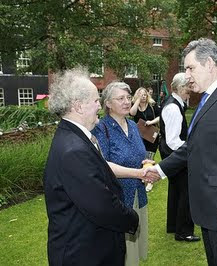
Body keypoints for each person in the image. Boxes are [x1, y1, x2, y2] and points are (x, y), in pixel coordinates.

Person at [144, 38, 217, 266]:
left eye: (190, 68)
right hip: (211, 210)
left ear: (209, 63)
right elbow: (194, 145)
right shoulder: (209, 97)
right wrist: (160, 169)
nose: (187, 75)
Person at [43, 67, 139, 266]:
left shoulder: (73, 137)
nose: (100, 106)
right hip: (84, 253)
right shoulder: (73, 150)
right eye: (96, 100)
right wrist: (131, 218)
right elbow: (100, 204)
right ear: (78, 106)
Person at [92, 81, 153, 266]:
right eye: (121, 98)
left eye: (128, 97)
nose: (127, 102)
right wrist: (139, 173)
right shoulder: (101, 129)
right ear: (108, 104)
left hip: (138, 194)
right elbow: (103, 165)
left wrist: (147, 165)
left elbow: (141, 154)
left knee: (134, 249)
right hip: (118, 199)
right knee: (121, 250)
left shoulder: (133, 126)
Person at [159, 73, 200, 242]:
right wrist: (190, 152)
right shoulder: (173, 108)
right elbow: (173, 141)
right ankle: (183, 231)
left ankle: (173, 226)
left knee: (177, 191)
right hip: (177, 156)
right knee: (186, 193)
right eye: (188, 89)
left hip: (173, 156)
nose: (190, 92)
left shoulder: (174, 105)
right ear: (181, 88)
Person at [130, 87, 161, 191]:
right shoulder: (135, 105)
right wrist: (137, 100)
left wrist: (151, 122)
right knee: (140, 157)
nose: (143, 96)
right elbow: (132, 113)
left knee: (149, 158)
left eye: (144, 95)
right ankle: (142, 176)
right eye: (141, 95)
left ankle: (149, 181)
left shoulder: (152, 105)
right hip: (139, 136)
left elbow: (161, 116)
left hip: (151, 135)